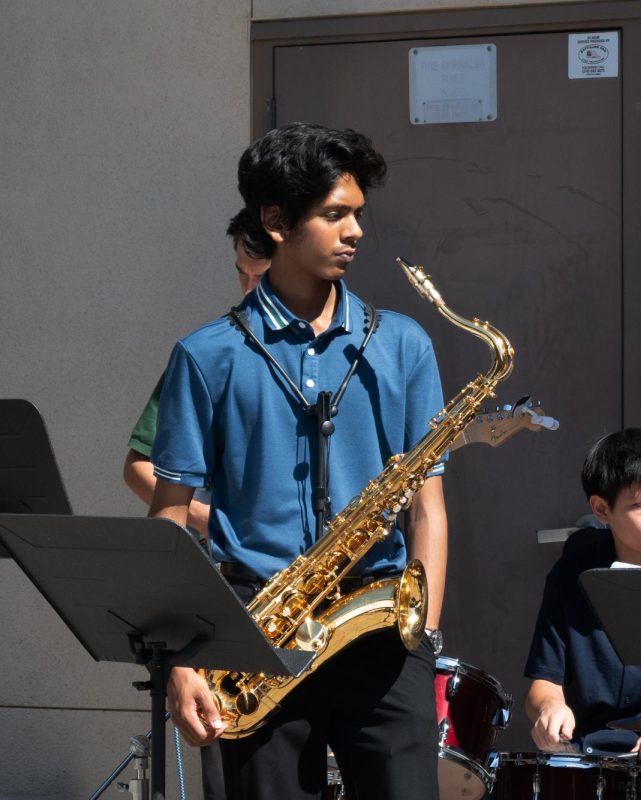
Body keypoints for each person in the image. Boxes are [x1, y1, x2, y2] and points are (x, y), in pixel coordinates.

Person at [150, 122, 447, 799]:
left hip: (382, 631)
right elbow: (168, 519)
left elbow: (428, 506)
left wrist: (422, 634)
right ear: (276, 221)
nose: (356, 232)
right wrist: (179, 662)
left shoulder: (402, 345)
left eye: (358, 214)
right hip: (254, 635)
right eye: (334, 214)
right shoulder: (205, 356)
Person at [121, 215, 269, 800]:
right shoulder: (210, 352)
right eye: (242, 275)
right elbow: (139, 469)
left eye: (262, 276)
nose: (250, 292)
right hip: (234, 594)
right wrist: (224, 526)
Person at [523, 428, 641, 799]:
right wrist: (551, 709)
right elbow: (543, 682)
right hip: (590, 751)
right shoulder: (574, 573)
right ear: (601, 509)